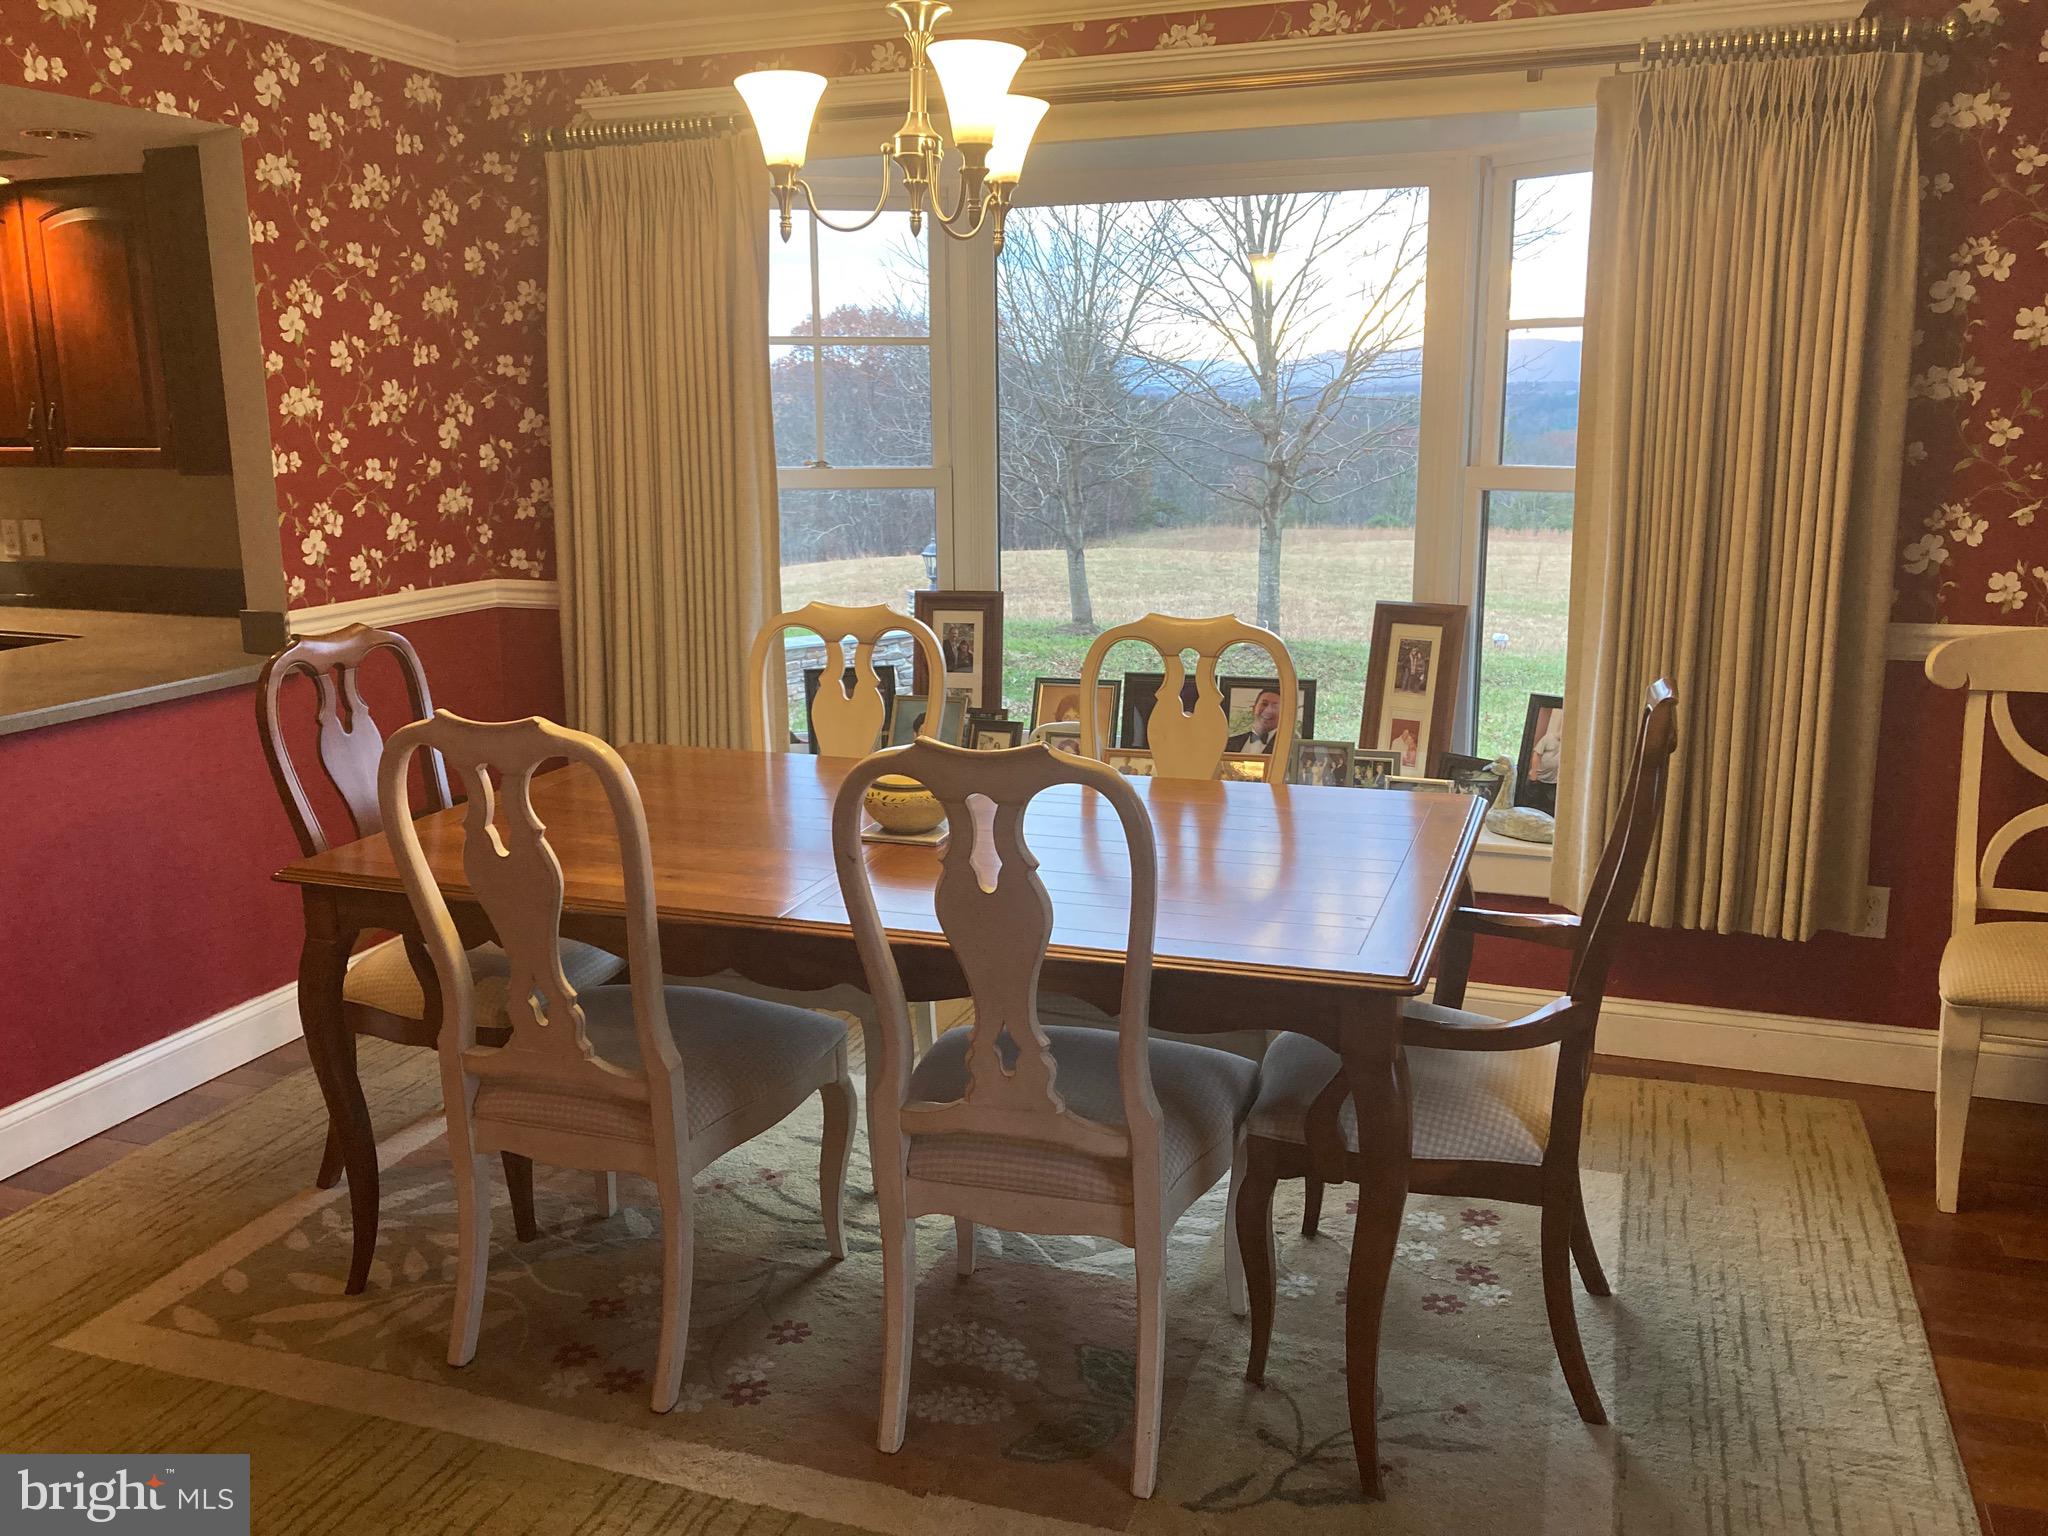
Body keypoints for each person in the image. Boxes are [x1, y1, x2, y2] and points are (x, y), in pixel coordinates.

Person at [1226, 688, 1284, 755]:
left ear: (1283, 714)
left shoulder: (1287, 746)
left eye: (1275, 706)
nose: (1268, 710)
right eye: (1264, 704)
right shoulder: (1229, 743)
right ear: (1254, 709)